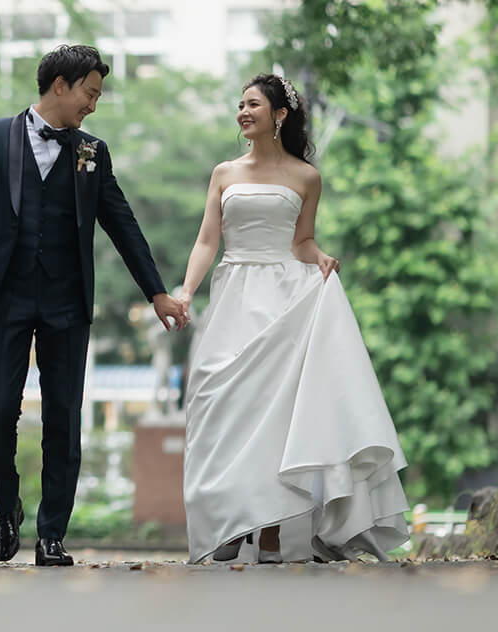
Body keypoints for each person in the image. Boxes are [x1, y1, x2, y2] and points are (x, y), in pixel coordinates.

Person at [0, 44, 187, 566]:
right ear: (60, 86)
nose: (94, 105)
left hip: (67, 299)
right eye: (90, 93)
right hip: (5, 295)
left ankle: (51, 536)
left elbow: (122, 223)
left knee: (64, 416)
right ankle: (6, 510)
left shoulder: (93, 151)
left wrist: (156, 291)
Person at [175, 74, 410, 564]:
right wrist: (186, 291)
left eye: (253, 104)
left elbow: (302, 240)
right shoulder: (223, 172)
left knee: (278, 415)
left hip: (285, 295)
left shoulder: (306, 177)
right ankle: (228, 518)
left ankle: (273, 528)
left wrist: (320, 256)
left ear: (279, 115)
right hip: (234, 294)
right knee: (217, 401)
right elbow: (206, 240)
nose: (243, 111)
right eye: (239, 104)